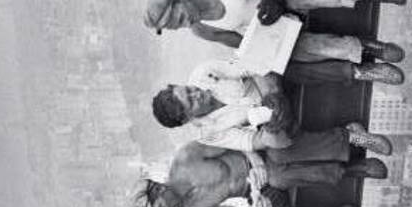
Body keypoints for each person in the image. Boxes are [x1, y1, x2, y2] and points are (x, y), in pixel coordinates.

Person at [143, 0, 407, 86]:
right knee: (301, 49)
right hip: (265, 29)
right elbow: (239, 43)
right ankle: (368, 50)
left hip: (273, 0)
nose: (184, 24)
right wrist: (262, 48)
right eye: (177, 27)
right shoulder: (201, 30)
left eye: (178, 18)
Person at [130, 140, 388, 207]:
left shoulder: (186, 157)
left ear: (157, 189)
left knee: (279, 175)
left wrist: (256, 162)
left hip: (257, 154)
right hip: (257, 189)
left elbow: (235, 140)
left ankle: (351, 162)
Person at [151, 74, 393, 156]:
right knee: (281, 146)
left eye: (189, 90)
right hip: (268, 119)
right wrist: (269, 130)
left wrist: (271, 95)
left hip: (267, 83)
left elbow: (249, 64)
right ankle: (350, 137)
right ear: (187, 119)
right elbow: (249, 141)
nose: (197, 93)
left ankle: (357, 70)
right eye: (191, 100)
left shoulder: (203, 72)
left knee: (286, 67)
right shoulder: (207, 134)